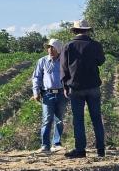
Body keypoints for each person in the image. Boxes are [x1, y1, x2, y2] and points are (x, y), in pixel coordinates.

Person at [60, 19, 107, 159]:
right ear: (87, 30)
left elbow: (63, 68)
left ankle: (80, 150)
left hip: (76, 87)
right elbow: (101, 61)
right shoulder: (95, 45)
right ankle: (101, 149)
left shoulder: (68, 46)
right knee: (96, 118)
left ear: (75, 30)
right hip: (93, 86)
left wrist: (65, 86)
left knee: (78, 119)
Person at [31, 38, 66, 154]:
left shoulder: (63, 61)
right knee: (47, 119)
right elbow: (36, 77)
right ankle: (45, 145)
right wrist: (36, 92)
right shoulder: (42, 61)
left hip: (61, 93)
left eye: (53, 47)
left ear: (59, 49)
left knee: (59, 119)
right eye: (49, 47)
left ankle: (56, 143)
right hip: (47, 94)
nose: (50, 49)